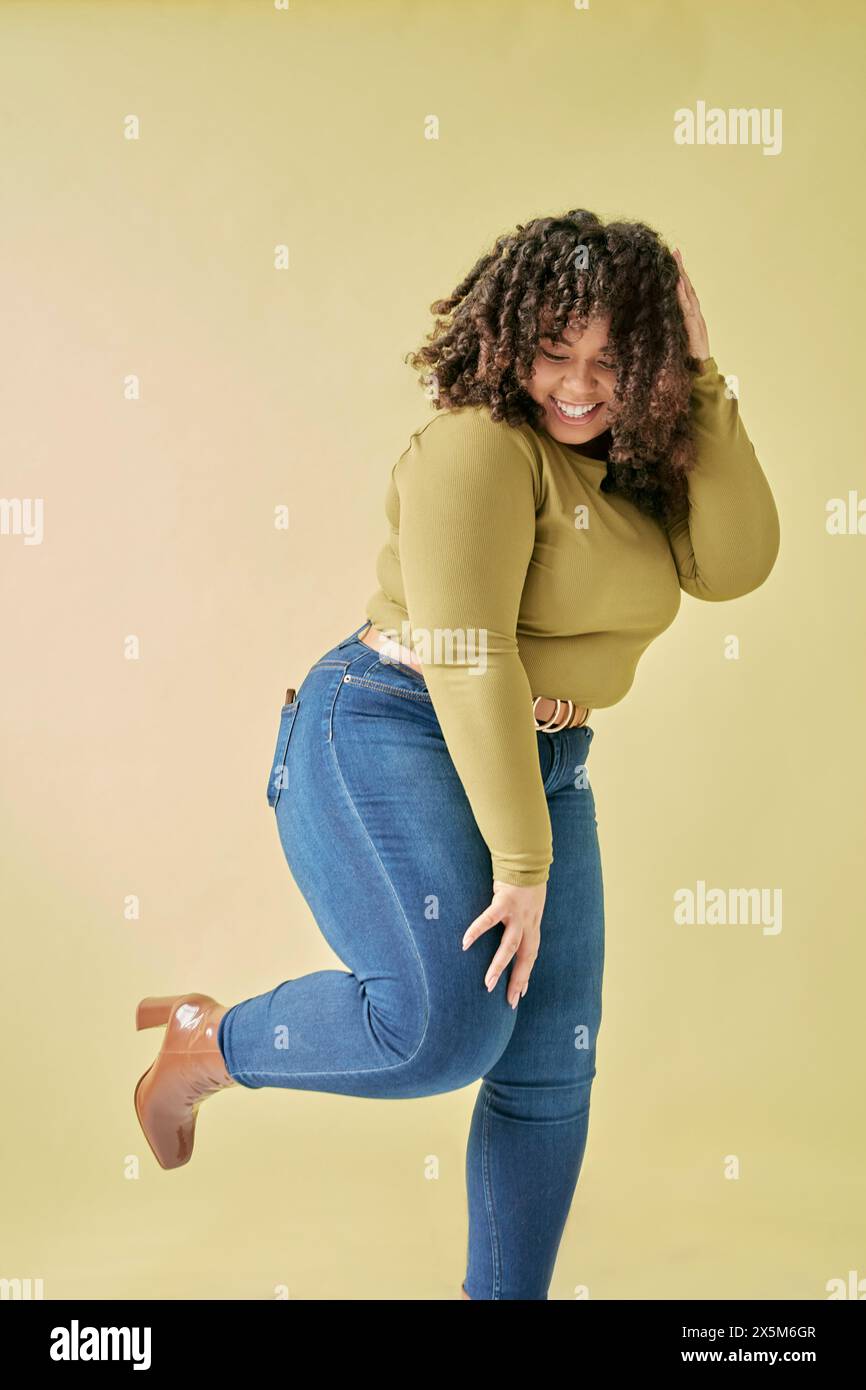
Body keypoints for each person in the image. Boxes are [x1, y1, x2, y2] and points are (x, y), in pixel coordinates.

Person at [133, 210, 780, 1300]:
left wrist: (702, 374)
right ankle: (209, 1042)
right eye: (554, 352)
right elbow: (467, 651)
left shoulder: (631, 474)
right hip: (388, 726)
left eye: (612, 364)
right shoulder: (473, 446)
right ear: (509, 335)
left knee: (548, 1064)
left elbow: (737, 563)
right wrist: (522, 866)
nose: (578, 386)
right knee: (443, 1028)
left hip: (547, 759)